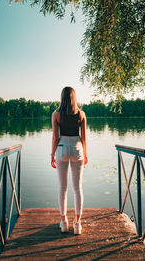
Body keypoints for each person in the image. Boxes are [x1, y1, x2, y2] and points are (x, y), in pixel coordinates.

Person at [51, 87, 88, 235]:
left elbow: (55, 137)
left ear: (62, 97)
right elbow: (84, 137)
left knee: (62, 187)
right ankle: (77, 224)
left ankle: (64, 222)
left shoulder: (56, 114)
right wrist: (85, 154)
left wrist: (52, 154)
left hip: (61, 148)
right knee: (77, 188)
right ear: (74, 97)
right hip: (77, 148)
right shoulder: (81, 114)